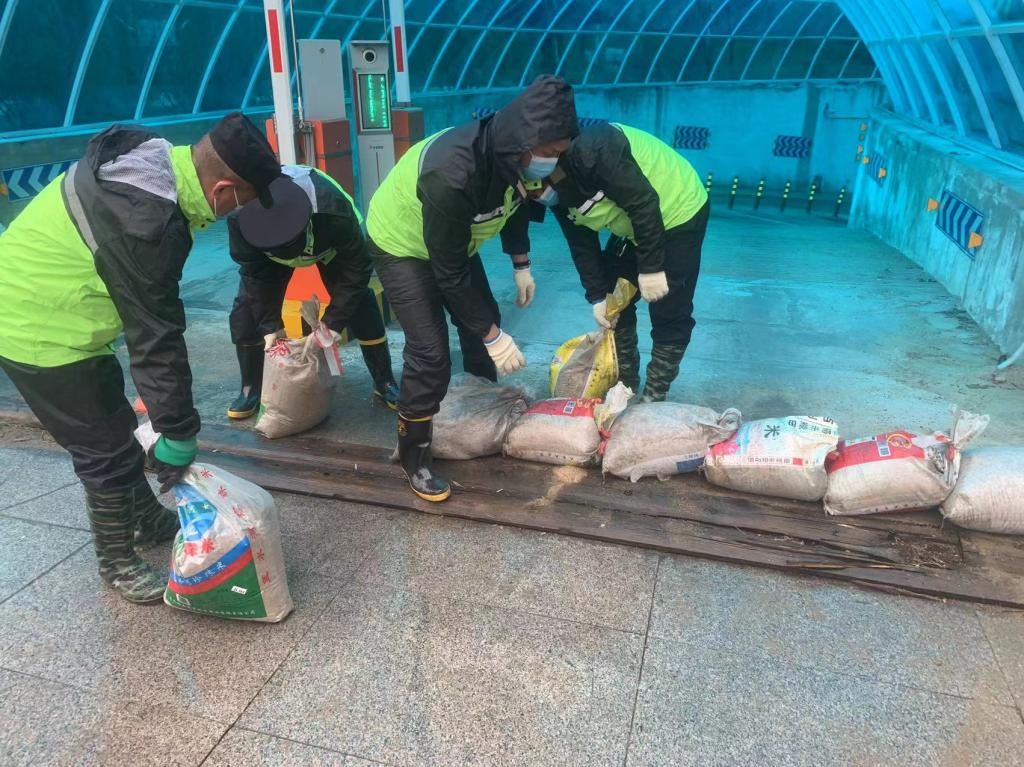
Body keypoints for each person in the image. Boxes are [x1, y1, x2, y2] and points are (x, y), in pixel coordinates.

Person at [0, 113, 292, 603]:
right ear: (222, 189)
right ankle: (116, 562)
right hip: (36, 327)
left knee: (115, 426)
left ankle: (146, 518)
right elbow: (156, 337)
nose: (237, 212)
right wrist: (179, 431)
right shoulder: (146, 225)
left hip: (59, 311)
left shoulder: (151, 165)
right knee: (104, 452)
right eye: (243, 200)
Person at [365, 75, 579, 503]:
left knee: (483, 321)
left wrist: (521, 264)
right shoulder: (453, 172)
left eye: (560, 153)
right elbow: (448, 275)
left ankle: (480, 406)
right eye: (551, 152)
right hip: (402, 243)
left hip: (452, 242)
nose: (553, 163)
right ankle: (414, 454)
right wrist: (493, 337)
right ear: (525, 142)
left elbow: (516, 204)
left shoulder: (514, 158)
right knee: (430, 352)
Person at [509, 121, 709, 402]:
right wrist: (597, 295)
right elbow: (581, 243)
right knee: (614, 298)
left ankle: (654, 394)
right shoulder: (558, 193)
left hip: (676, 209)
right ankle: (625, 381)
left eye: (537, 189)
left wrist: (651, 269)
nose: (538, 196)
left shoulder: (596, 152)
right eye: (531, 195)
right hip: (634, 224)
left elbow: (644, 204)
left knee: (669, 308)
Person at [225, 164, 398, 419]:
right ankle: (250, 389)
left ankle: (384, 381)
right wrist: (270, 326)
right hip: (267, 259)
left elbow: (356, 270)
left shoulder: (333, 212)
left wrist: (333, 323)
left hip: (328, 247)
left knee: (361, 304)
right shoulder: (240, 219)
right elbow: (254, 276)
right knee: (245, 311)